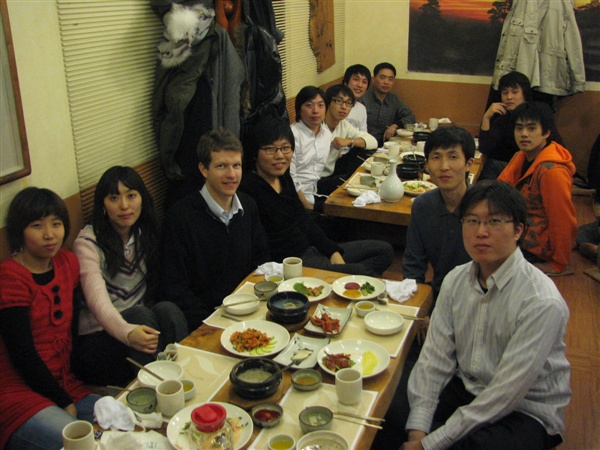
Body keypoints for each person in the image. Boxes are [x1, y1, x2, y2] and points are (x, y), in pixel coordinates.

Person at [402, 180, 571, 450]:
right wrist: (417, 432)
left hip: (525, 407)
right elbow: (435, 357)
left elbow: (506, 392)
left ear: (518, 230)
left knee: (475, 446)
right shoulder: (455, 280)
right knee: (388, 409)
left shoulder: (541, 301)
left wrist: (429, 444)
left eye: (494, 221)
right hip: (467, 385)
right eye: (472, 221)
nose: (481, 232)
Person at [0, 188, 99, 450]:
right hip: (17, 393)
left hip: (64, 383)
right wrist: (62, 401)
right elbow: (22, 354)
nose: (49, 234)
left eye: (56, 224)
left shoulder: (67, 263)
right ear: (20, 231)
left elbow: (72, 330)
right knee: (80, 444)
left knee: (124, 420)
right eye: (37, 226)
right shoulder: (10, 276)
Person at [72, 166, 188, 386]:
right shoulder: (88, 244)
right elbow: (99, 304)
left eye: (131, 196)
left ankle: (184, 376)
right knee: (139, 315)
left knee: (168, 310)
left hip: (139, 328)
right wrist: (128, 332)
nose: (124, 205)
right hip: (98, 339)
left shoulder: (145, 234)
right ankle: (158, 388)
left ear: (142, 199)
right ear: (103, 205)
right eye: (114, 198)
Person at [240, 117, 394, 277]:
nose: (280, 155)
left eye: (285, 148)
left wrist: (332, 251)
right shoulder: (248, 189)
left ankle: (342, 279)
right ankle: (345, 279)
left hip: (312, 250)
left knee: (384, 251)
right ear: (255, 152)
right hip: (292, 264)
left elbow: (304, 219)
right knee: (362, 273)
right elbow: (258, 247)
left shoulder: (283, 177)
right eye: (270, 149)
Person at [160, 128, 270, 331]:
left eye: (236, 165)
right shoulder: (180, 218)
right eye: (221, 166)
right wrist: (213, 321)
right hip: (206, 321)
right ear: (204, 169)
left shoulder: (248, 206)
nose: (231, 175)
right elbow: (175, 288)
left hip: (250, 310)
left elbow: (261, 261)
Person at [498, 102, 577, 275]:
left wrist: (558, 263)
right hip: (517, 231)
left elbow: (562, 220)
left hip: (536, 247)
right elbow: (500, 190)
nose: (524, 134)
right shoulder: (521, 156)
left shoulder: (552, 171)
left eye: (531, 128)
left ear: (546, 132)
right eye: (519, 128)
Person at [402, 126, 474, 298]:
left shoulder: (483, 208)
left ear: (469, 164)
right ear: (426, 165)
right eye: (436, 157)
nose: (444, 166)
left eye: (453, 157)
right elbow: (413, 265)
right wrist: (416, 303)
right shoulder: (423, 205)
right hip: (440, 294)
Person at [478, 71, 562, 180]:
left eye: (514, 92)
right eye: (505, 93)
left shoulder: (537, 114)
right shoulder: (504, 118)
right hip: (515, 166)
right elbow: (485, 148)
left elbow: (558, 147)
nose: (509, 97)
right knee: (489, 164)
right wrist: (486, 117)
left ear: (524, 94)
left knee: (490, 166)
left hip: (537, 166)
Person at [316, 84, 378, 203]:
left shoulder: (343, 124)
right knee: (345, 182)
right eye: (339, 101)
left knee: (365, 150)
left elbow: (373, 142)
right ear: (328, 103)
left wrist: (350, 141)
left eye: (349, 103)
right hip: (317, 179)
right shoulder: (316, 124)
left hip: (332, 170)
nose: (344, 107)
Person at [289, 86, 332, 210]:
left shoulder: (326, 133)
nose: (315, 111)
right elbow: (291, 179)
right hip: (296, 199)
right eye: (309, 105)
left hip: (315, 192)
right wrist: (308, 209)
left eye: (320, 105)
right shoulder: (292, 135)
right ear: (299, 110)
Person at [361, 62, 416, 146]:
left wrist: (395, 125)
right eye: (382, 78)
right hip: (366, 144)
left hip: (387, 144)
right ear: (374, 79)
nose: (386, 82)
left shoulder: (394, 99)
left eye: (390, 79)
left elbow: (411, 116)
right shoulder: (363, 98)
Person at [343, 64, 371, 132]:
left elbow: (363, 135)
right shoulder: (336, 105)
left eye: (364, 82)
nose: (360, 85)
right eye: (356, 79)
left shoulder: (362, 109)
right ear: (346, 82)